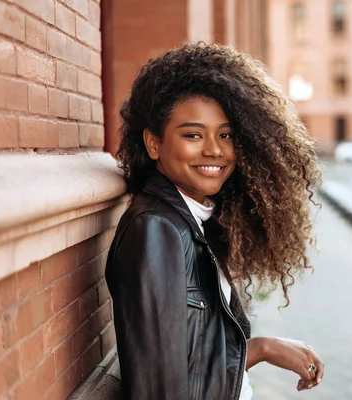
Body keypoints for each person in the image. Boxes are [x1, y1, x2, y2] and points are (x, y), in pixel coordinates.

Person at [105, 42, 324, 399]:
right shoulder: (157, 230)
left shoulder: (193, 220)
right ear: (153, 143)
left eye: (225, 135)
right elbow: (162, 389)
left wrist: (264, 348)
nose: (214, 150)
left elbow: (195, 365)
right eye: (193, 135)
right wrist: (264, 348)